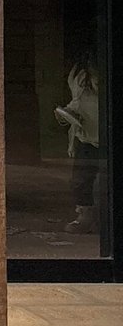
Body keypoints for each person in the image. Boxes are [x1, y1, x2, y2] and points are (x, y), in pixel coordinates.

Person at [55, 61, 103, 233]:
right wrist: (65, 115)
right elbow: (75, 105)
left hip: (105, 138)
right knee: (81, 180)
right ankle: (85, 217)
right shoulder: (81, 81)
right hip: (87, 139)